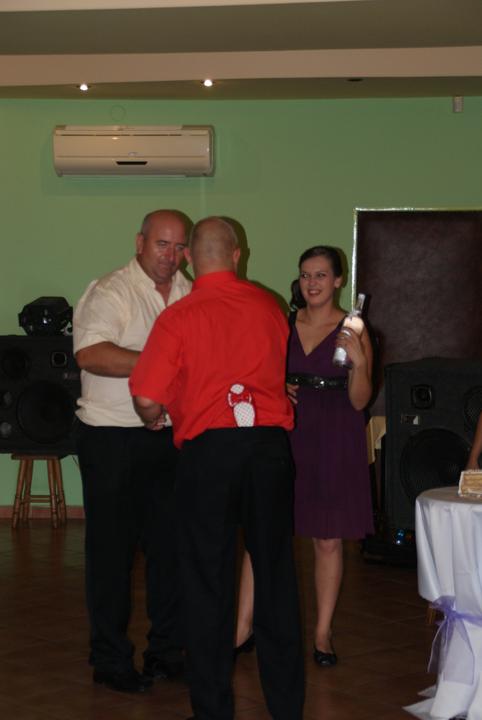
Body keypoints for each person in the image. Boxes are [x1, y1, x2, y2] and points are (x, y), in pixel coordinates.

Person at [129, 217, 305, 720]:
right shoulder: (270, 306)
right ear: (236, 255)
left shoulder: (179, 317)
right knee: (275, 576)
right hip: (269, 450)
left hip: (209, 454)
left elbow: (146, 397)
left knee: (206, 582)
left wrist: (154, 416)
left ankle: (212, 710)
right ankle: (287, 708)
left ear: (189, 258)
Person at [235, 245, 374, 667]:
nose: (312, 283)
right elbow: (256, 374)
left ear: (338, 280)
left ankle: (322, 633)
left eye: (321, 275)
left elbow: (360, 400)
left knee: (327, 540)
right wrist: (277, 385)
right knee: (263, 530)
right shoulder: (282, 321)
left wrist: (359, 362)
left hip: (335, 433)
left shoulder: (355, 328)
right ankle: (242, 626)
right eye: (306, 275)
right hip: (285, 430)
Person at [73, 209, 191, 693]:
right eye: (162, 244)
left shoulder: (189, 292)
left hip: (169, 438)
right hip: (111, 439)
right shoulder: (111, 290)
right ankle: (110, 659)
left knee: (170, 550)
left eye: (179, 246)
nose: (171, 255)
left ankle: (166, 652)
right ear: (140, 243)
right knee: (112, 554)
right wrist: (159, 364)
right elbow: (90, 354)